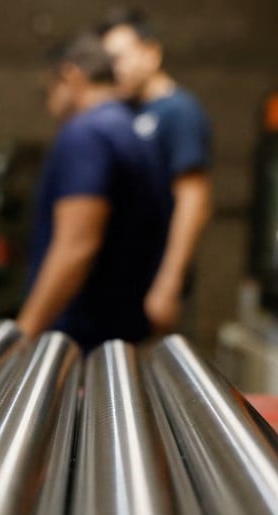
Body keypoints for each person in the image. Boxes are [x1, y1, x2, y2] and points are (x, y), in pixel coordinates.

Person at [17, 33, 172, 350]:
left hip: (78, 339)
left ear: (71, 76)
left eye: (51, 90)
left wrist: (25, 333)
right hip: (122, 335)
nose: (50, 104)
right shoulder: (134, 132)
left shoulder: (86, 133)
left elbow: (77, 245)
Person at [100, 8, 213, 334]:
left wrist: (168, 283)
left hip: (153, 286)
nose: (114, 69)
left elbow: (194, 201)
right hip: (124, 285)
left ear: (151, 53)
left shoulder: (178, 111)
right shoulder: (128, 112)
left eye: (120, 57)